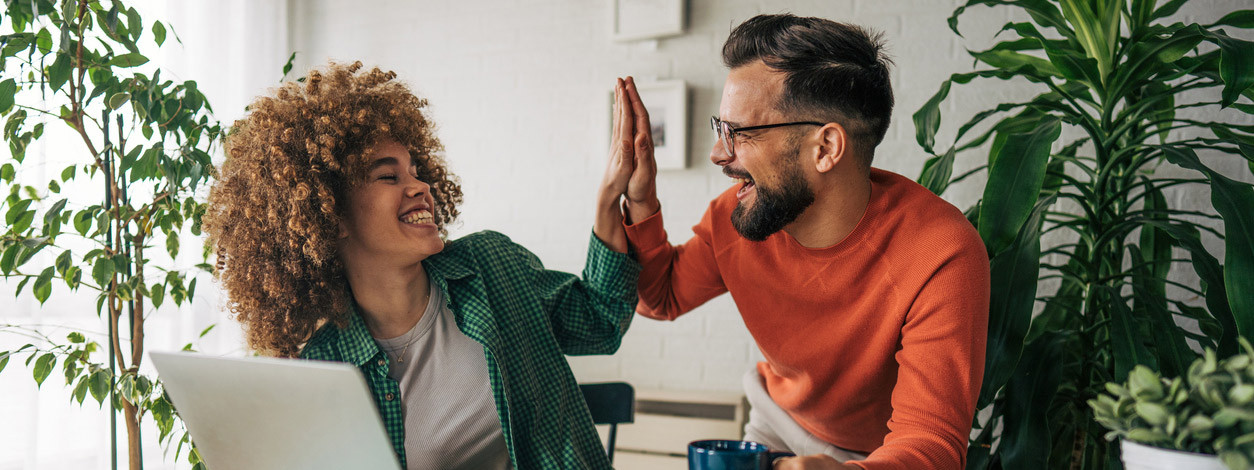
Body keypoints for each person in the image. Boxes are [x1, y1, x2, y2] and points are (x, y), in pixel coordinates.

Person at [203, 61, 645, 470]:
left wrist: (611, 199)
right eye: (389, 176)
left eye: (415, 170)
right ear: (329, 216)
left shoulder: (490, 266)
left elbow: (600, 321)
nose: (420, 186)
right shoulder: (325, 367)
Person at [601, 14, 990, 470]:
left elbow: (931, 445)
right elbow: (661, 295)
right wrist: (641, 201)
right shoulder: (739, 215)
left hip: (883, 455)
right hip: (774, 428)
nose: (718, 154)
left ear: (825, 148)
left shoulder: (942, 254)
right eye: (720, 128)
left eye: (739, 133)